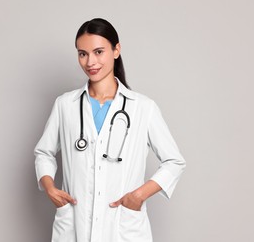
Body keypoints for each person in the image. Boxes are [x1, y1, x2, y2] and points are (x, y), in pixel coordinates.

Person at [34, 18, 186, 242]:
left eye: (98, 52)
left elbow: (174, 161)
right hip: (74, 226)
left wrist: (139, 196)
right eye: (82, 53)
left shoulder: (142, 107)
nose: (90, 62)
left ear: (116, 50)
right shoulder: (65, 105)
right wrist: (49, 187)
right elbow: (43, 153)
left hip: (123, 227)